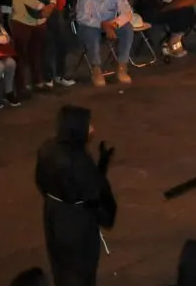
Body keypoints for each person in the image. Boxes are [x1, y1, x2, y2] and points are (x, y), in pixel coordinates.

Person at [35, 105, 117, 286]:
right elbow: (93, 194)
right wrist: (105, 217)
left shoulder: (47, 148)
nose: (93, 129)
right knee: (81, 270)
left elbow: (40, 181)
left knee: (60, 265)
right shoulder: (78, 161)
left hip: (54, 213)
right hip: (78, 223)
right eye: (88, 125)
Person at [76, 0, 134, 87]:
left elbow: (127, 13)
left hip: (111, 23)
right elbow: (82, 17)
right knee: (91, 34)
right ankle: (96, 68)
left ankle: (122, 65)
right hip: (91, 24)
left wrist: (114, 24)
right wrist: (102, 24)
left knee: (128, 29)